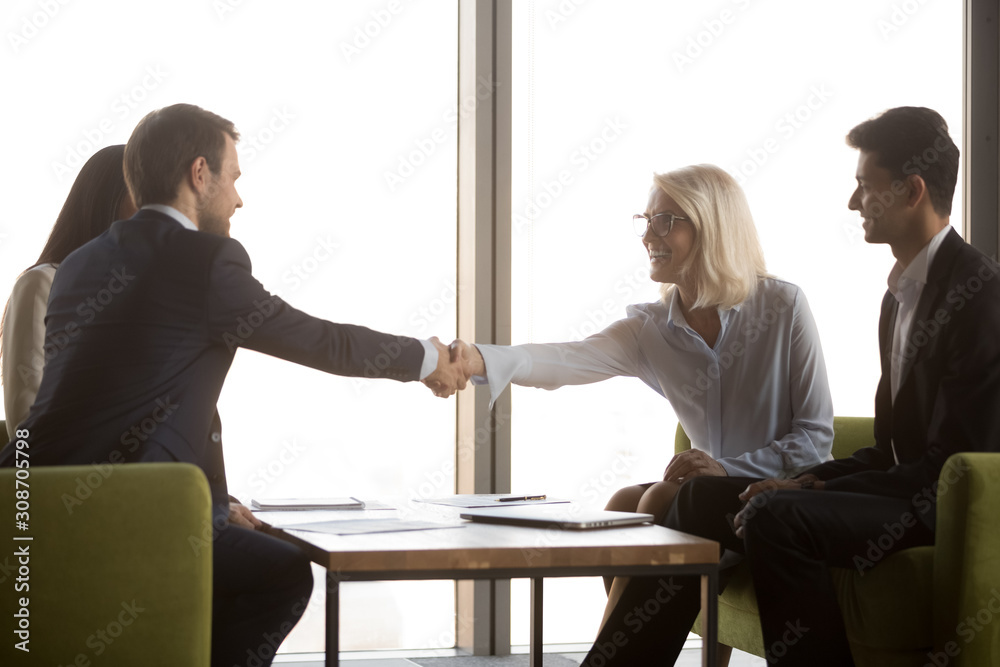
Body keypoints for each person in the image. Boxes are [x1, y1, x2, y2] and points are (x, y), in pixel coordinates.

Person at [0, 103, 467, 666]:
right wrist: (427, 358)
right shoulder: (207, 260)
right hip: (135, 519)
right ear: (200, 174)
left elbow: (140, 397)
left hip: (26, 508)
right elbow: (320, 341)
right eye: (234, 178)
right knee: (282, 572)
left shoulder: (78, 264)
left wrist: (219, 503)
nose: (239, 199)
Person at [580, 107, 1000, 666]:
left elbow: (946, 467)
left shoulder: (977, 295)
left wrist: (804, 493)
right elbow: (886, 448)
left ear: (911, 191)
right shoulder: (898, 296)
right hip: (902, 488)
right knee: (700, 497)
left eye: (864, 187)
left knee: (777, 517)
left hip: (936, 504)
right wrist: (800, 480)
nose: (854, 203)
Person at [452, 163, 834, 654]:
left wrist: (724, 468)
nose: (648, 235)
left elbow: (814, 439)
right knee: (621, 506)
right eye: (646, 220)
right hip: (703, 498)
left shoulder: (783, 306)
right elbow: (564, 358)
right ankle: (621, 651)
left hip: (773, 498)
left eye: (666, 221)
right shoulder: (651, 330)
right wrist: (475, 360)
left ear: (710, 227)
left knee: (658, 499)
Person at [1, 145, 136, 440]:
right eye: (144, 195)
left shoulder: (146, 296)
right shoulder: (42, 284)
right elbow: (26, 422)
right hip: (77, 480)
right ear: (106, 200)